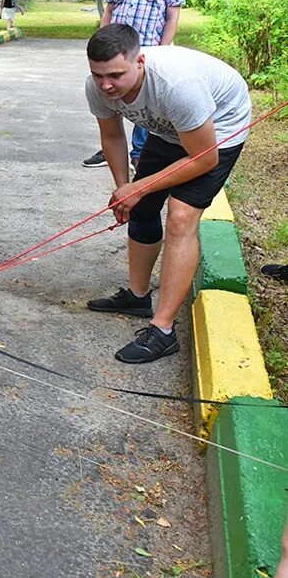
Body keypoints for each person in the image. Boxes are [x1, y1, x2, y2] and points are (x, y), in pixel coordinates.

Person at [83, 24, 250, 363]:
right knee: (141, 207)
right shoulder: (98, 87)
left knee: (181, 217)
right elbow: (113, 137)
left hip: (218, 129)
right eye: (98, 75)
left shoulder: (177, 86)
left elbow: (204, 158)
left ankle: (163, 331)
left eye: (115, 75)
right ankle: (138, 296)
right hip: (173, 129)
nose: (106, 85)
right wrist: (123, 188)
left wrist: (139, 185)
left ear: (139, 61)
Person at [84, 0, 186, 169]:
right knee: (112, 93)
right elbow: (110, 9)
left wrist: (163, 50)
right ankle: (110, 148)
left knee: (144, 100)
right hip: (115, 45)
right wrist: (100, 40)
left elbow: (172, 15)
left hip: (148, 48)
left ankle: (139, 154)